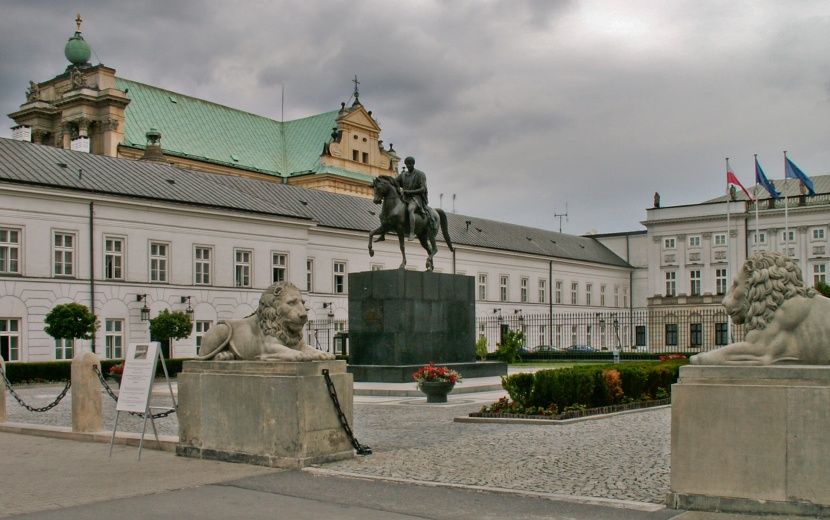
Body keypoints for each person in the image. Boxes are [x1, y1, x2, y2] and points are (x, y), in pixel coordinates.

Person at [396, 156, 434, 240]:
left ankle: (412, 233)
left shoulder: (420, 174)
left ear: (413, 164)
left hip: (416, 198)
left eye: (410, 164)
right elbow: (394, 182)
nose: (408, 165)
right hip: (405, 197)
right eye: (407, 164)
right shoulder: (403, 175)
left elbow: (423, 189)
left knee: (410, 209)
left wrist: (409, 192)